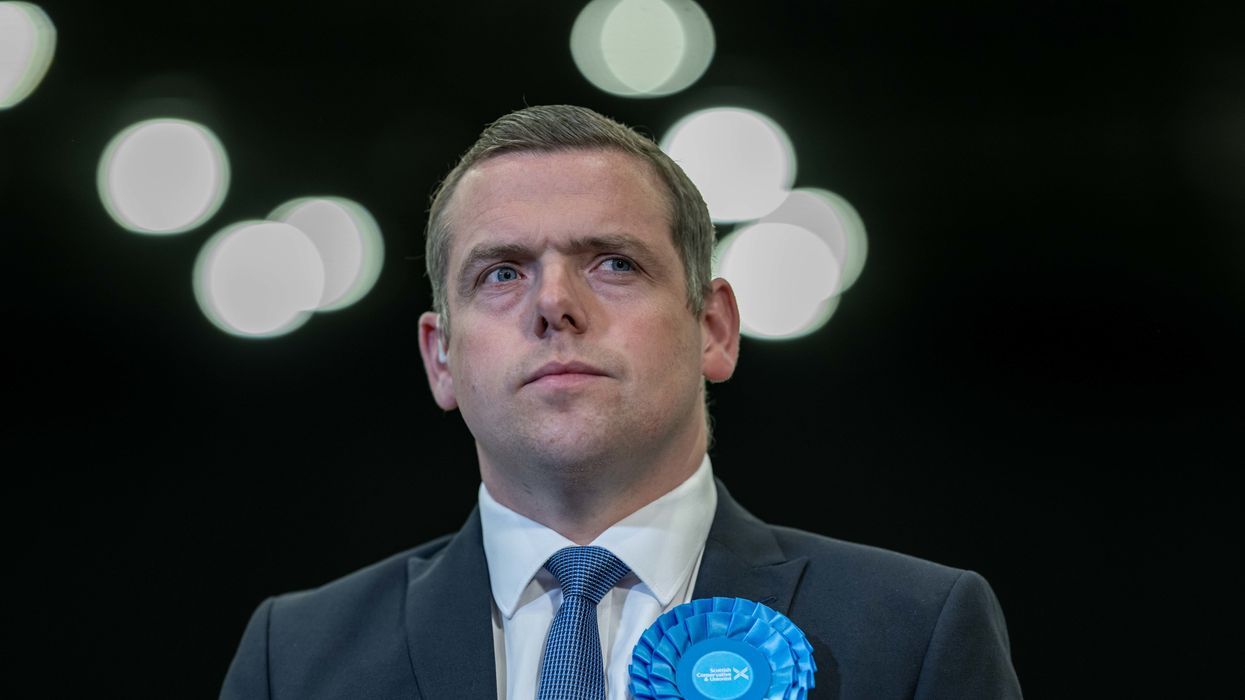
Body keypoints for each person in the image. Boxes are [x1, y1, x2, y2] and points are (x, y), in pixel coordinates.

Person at [220, 105, 1022, 699]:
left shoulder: (914, 632)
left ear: (711, 328)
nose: (553, 304)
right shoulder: (291, 659)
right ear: (441, 358)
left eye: (611, 264)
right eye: (501, 272)